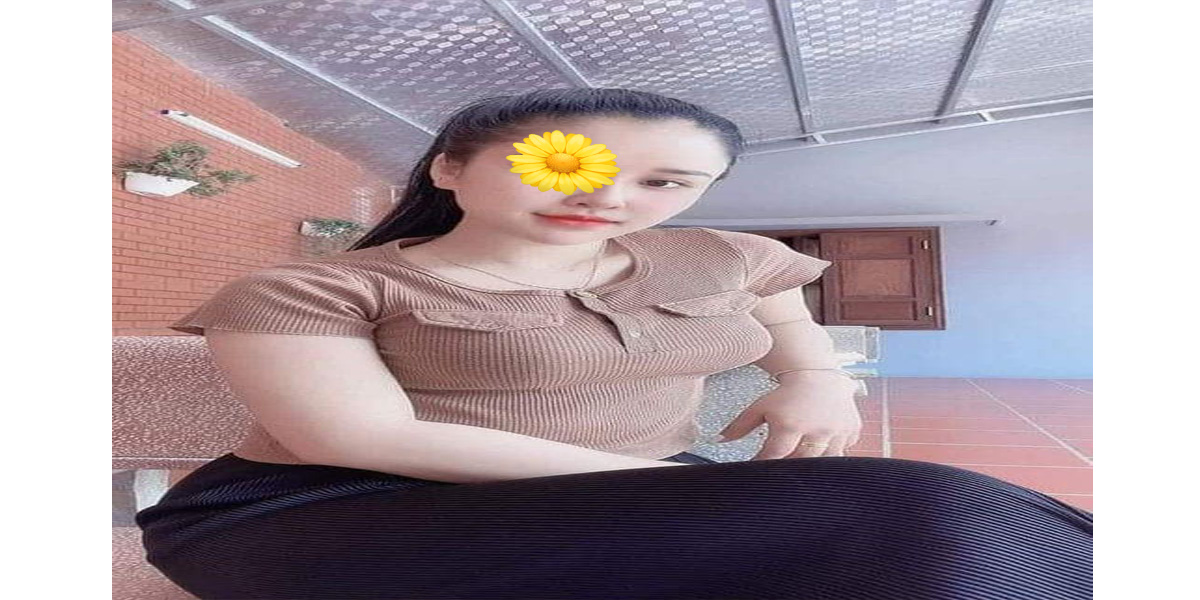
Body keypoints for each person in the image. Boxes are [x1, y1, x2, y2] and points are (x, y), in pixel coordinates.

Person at [136, 88, 1092, 599]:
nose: (607, 197)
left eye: (666, 183)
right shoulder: (309, 289)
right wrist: (683, 488)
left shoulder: (721, 255)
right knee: (915, 511)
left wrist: (815, 378)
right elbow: (362, 437)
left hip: (621, 501)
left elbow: (782, 316)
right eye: (563, 164)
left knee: (924, 546)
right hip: (333, 515)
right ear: (451, 167)